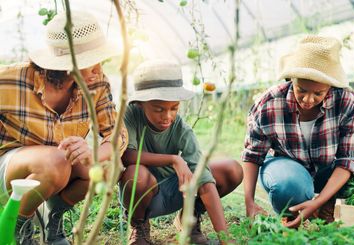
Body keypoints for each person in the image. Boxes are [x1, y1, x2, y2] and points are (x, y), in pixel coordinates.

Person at [0, 11, 127, 245]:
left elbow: (116, 133)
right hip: (11, 168)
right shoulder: (9, 80)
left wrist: (95, 154)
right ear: (66, 64)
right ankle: (17, 228)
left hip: (60, 166)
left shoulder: (97, 83)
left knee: (109, 168)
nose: (99, 69)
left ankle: (53, 219)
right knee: (56, 160)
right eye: (92, 61)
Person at [242, 35, 354, 228]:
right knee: (289, 187)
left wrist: (319, 200)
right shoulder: (270, 102)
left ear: (330, 86)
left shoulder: (346, 101)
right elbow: (252, 155)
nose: (308, 99)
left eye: (318, 93)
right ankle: (299, 209)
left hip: (329, 168)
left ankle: (325, 205)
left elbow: (346, 160)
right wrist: (249, 202)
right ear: (292, 78)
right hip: (286, 167)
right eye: (301, 89)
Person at [119, 60, 243, 244]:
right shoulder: (130, 115)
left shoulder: (182, 130)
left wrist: (225, 239)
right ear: (140, 103)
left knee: (230, 170)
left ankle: (189, 219)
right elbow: (127, 156)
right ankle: (138, 226)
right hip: (141, 195)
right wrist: (173, 159)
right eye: (159, 109)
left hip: (177, 192)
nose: (167, 116)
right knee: (135, 174)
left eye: (174, 108)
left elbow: (206, 182)